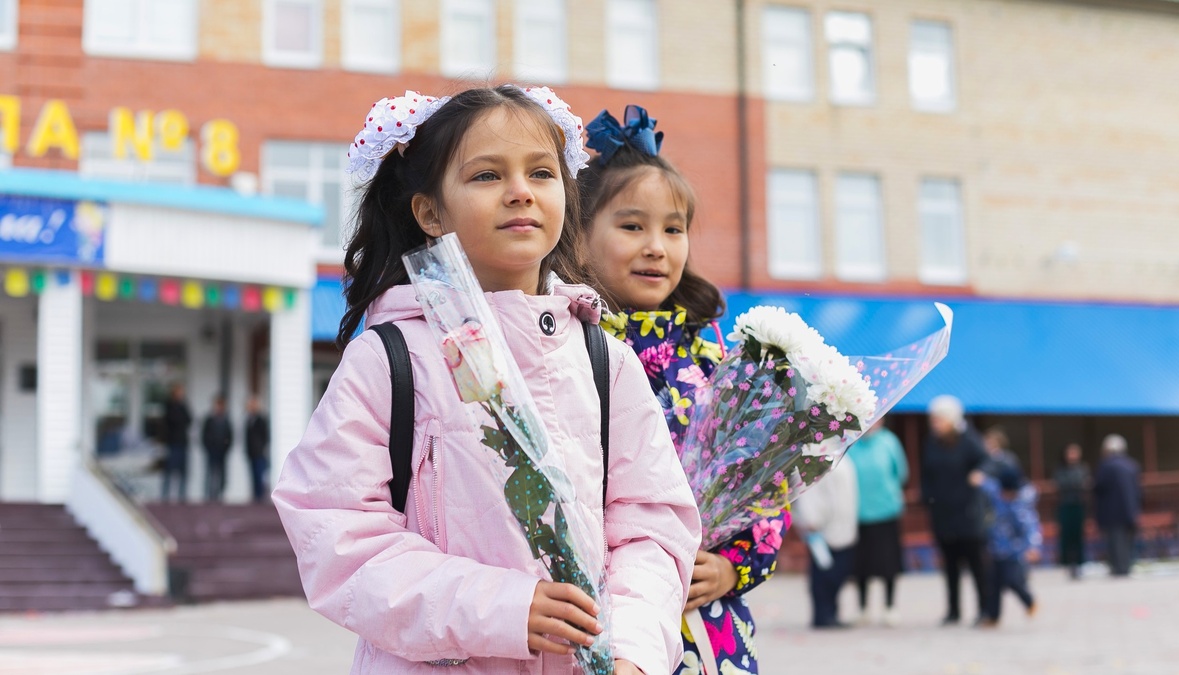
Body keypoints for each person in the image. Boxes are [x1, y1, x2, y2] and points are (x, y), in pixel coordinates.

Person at [272, 85, 702, 675]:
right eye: (486, 176)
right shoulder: (389, 358)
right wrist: (503, 609)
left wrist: (631, 649)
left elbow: (652, 527)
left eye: (542, 172)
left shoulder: (607, 362)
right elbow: (337, 536)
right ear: (430, 211)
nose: (520, 191)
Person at [580, 104, 790, 675]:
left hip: (704, 627)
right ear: (577, 234)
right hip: (600, 615)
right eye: (632, 226)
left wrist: (732, 566)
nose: (657, 246)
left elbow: (762, 481)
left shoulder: (715, 358)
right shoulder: (567, 348)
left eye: (673, 229)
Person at [921, 395, 992, 626]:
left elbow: (988, 461)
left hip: (968, 513)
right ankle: (953, 610)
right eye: (933, 420)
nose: (935, 425)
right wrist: (928, 500)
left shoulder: (969, 440)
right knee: (949, 565)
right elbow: (926, 474)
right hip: (943, 513)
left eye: (939, 420)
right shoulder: (932, 442)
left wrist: (978, 474)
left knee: (975, 565)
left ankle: (984, 609)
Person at [848, 418, 908, 627]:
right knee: (861, 563)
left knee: (888, 562)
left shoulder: (889, 442)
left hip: (886, 511)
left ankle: (890, 606)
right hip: (859, 513)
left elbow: (901, 473)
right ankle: (863, 607)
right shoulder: (852, 443)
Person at [795, 456, 859, 630]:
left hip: (842, 526)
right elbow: (812, 494)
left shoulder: (843, 459)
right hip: (822, 530)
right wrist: (811, 520)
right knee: (823, 575)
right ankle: (823, 614)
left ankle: (832, 611)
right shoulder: (819, 459)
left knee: (838, 573)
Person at [977, 465, 1041, 626]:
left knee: (1012, 580)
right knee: (993, 584)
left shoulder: (1021, 506)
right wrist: (978, 479)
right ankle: (993, 616)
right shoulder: (997, 494)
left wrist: (1033, 547)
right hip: (996, 548)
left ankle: (1029, 601)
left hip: (1015, 550)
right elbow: (988, 485)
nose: (1006, 496)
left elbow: (1031, 528)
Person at [1093, 434, 1141, 577]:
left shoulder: (1106, 466)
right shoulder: (1132, 465)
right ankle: (1126, 566)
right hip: (1131, 509)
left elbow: (1098, 487)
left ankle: (1118, 568)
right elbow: (1138, 490)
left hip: (1112, 511)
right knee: (1128, 541)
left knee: (1115, 541)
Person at [1054, 443, 1089, 579]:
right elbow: (1062, 484)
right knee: (1066, 536)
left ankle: (1080, 564)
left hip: (1078, 505)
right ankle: (1066, 564)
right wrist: (1077, 484)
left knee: (1078, 536)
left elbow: (1084, 483)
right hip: (1065, 505)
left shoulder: (1082, 468)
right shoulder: (1061, 469)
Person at [161, 383, 192, 502]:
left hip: (182, 442)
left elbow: (189, 419)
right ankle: (165, 496)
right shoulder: (169, 406)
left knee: (183, 471)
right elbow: (172, 421)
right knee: (169, 470)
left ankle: (182, 496)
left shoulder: (183, 406)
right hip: (172, 442)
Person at [201, 395, 233, 502]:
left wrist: (225, 448)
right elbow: (204, 436)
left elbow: (230, 436)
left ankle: (220, 494)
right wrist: (208, 447)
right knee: (210, 473)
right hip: (211, 451)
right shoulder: (209, 420)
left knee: (222, 475)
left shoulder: (226, 420)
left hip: (222, 452)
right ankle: (210, 495)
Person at [244, 397, 270, 503]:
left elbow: (265, 436)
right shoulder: (249, 420)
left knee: (259, 475)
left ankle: (260, 496)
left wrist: (261, 447)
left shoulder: (261, 420)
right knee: (253, 475)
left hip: (259, 452)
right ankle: (255, 496)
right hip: (251, 453)